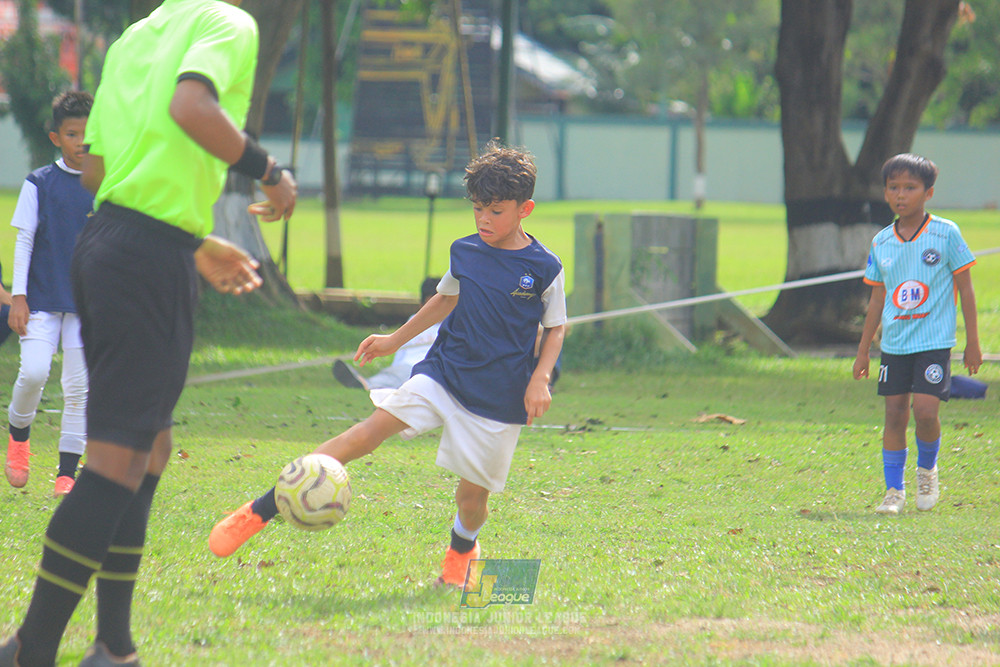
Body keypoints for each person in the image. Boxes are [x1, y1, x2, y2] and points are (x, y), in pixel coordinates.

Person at [0, 0, 297, 665]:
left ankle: (114, 644)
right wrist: (271, 174)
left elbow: (99, 172)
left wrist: (190, 241)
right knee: (115, 462)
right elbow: (192, 107)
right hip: (144, 263)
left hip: (109, 243)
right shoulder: (227, 23)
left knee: (150, 448)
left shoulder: (137, 35)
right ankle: (30, 647)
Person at [210, 140, 566, 591]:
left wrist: (540, 379)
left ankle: (462, 551)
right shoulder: (466, 251)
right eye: (478, 208)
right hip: (445, 372)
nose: (484, 219)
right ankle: (260, 510)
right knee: (367, 432)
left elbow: (556, 328)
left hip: (499, 395)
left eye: (496, 211)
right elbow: (444, 299)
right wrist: (394, 340)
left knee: (471, 499)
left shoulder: (544, 267)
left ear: (524, 209)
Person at [853, 153, 980, 516]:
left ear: (928, 193)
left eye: (910, 187)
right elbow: (877, 299)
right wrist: (863, 350)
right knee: (894, 414)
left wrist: (973, 342)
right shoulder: (881, 241)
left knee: (925, 412)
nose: (900, 195)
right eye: (893, 187)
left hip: (934, 342)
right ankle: (894, 491)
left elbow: (966, 289)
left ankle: (927, 471)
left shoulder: (946, 233)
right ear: (885, 192)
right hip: (894, 344)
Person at [4, 91, 94, 498]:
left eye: (88, 134)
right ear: (57, 138)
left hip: (86, 305)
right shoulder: (39, 182)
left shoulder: (105, 184)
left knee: (78, 388)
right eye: (72, 134)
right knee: (34, 373)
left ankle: (66, 474)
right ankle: (18, 438)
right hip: (40, 300)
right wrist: (19, 297)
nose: (81, 142)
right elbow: (24, 242)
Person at [332, 277, 442, 391]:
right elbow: (401, 348)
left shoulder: (450, 325)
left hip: (428, 369)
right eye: (432, 306)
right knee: (394, 374)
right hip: (405, 367)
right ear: (422, 305)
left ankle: (367, 384)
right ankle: (367, 383)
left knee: (407, 376)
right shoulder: (415, 320)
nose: (437, 310)